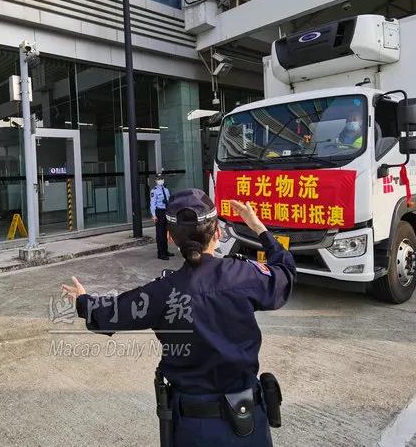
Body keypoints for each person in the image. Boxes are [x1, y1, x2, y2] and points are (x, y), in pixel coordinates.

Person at [62, 189, 297, 446]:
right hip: (248, 424)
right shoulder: (244, 276)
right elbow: (285, 272)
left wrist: (84, 301)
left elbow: (110, 314)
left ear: (171, 238)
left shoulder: (162, 292)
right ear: (218, 233)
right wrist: (258, 228)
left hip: (192, 428)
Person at [150, 173, 173, 260]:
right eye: (159, 179)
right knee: (160, 234)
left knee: (165, 232)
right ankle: (160, 253)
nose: (161, 180)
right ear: (156, 181)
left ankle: (165, 251)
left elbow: (169, 201)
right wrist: (154, 215)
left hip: (166, 211)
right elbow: (152, 204)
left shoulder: (166, 190)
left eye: (161, 179)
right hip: (159, 212)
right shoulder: (154, 191)